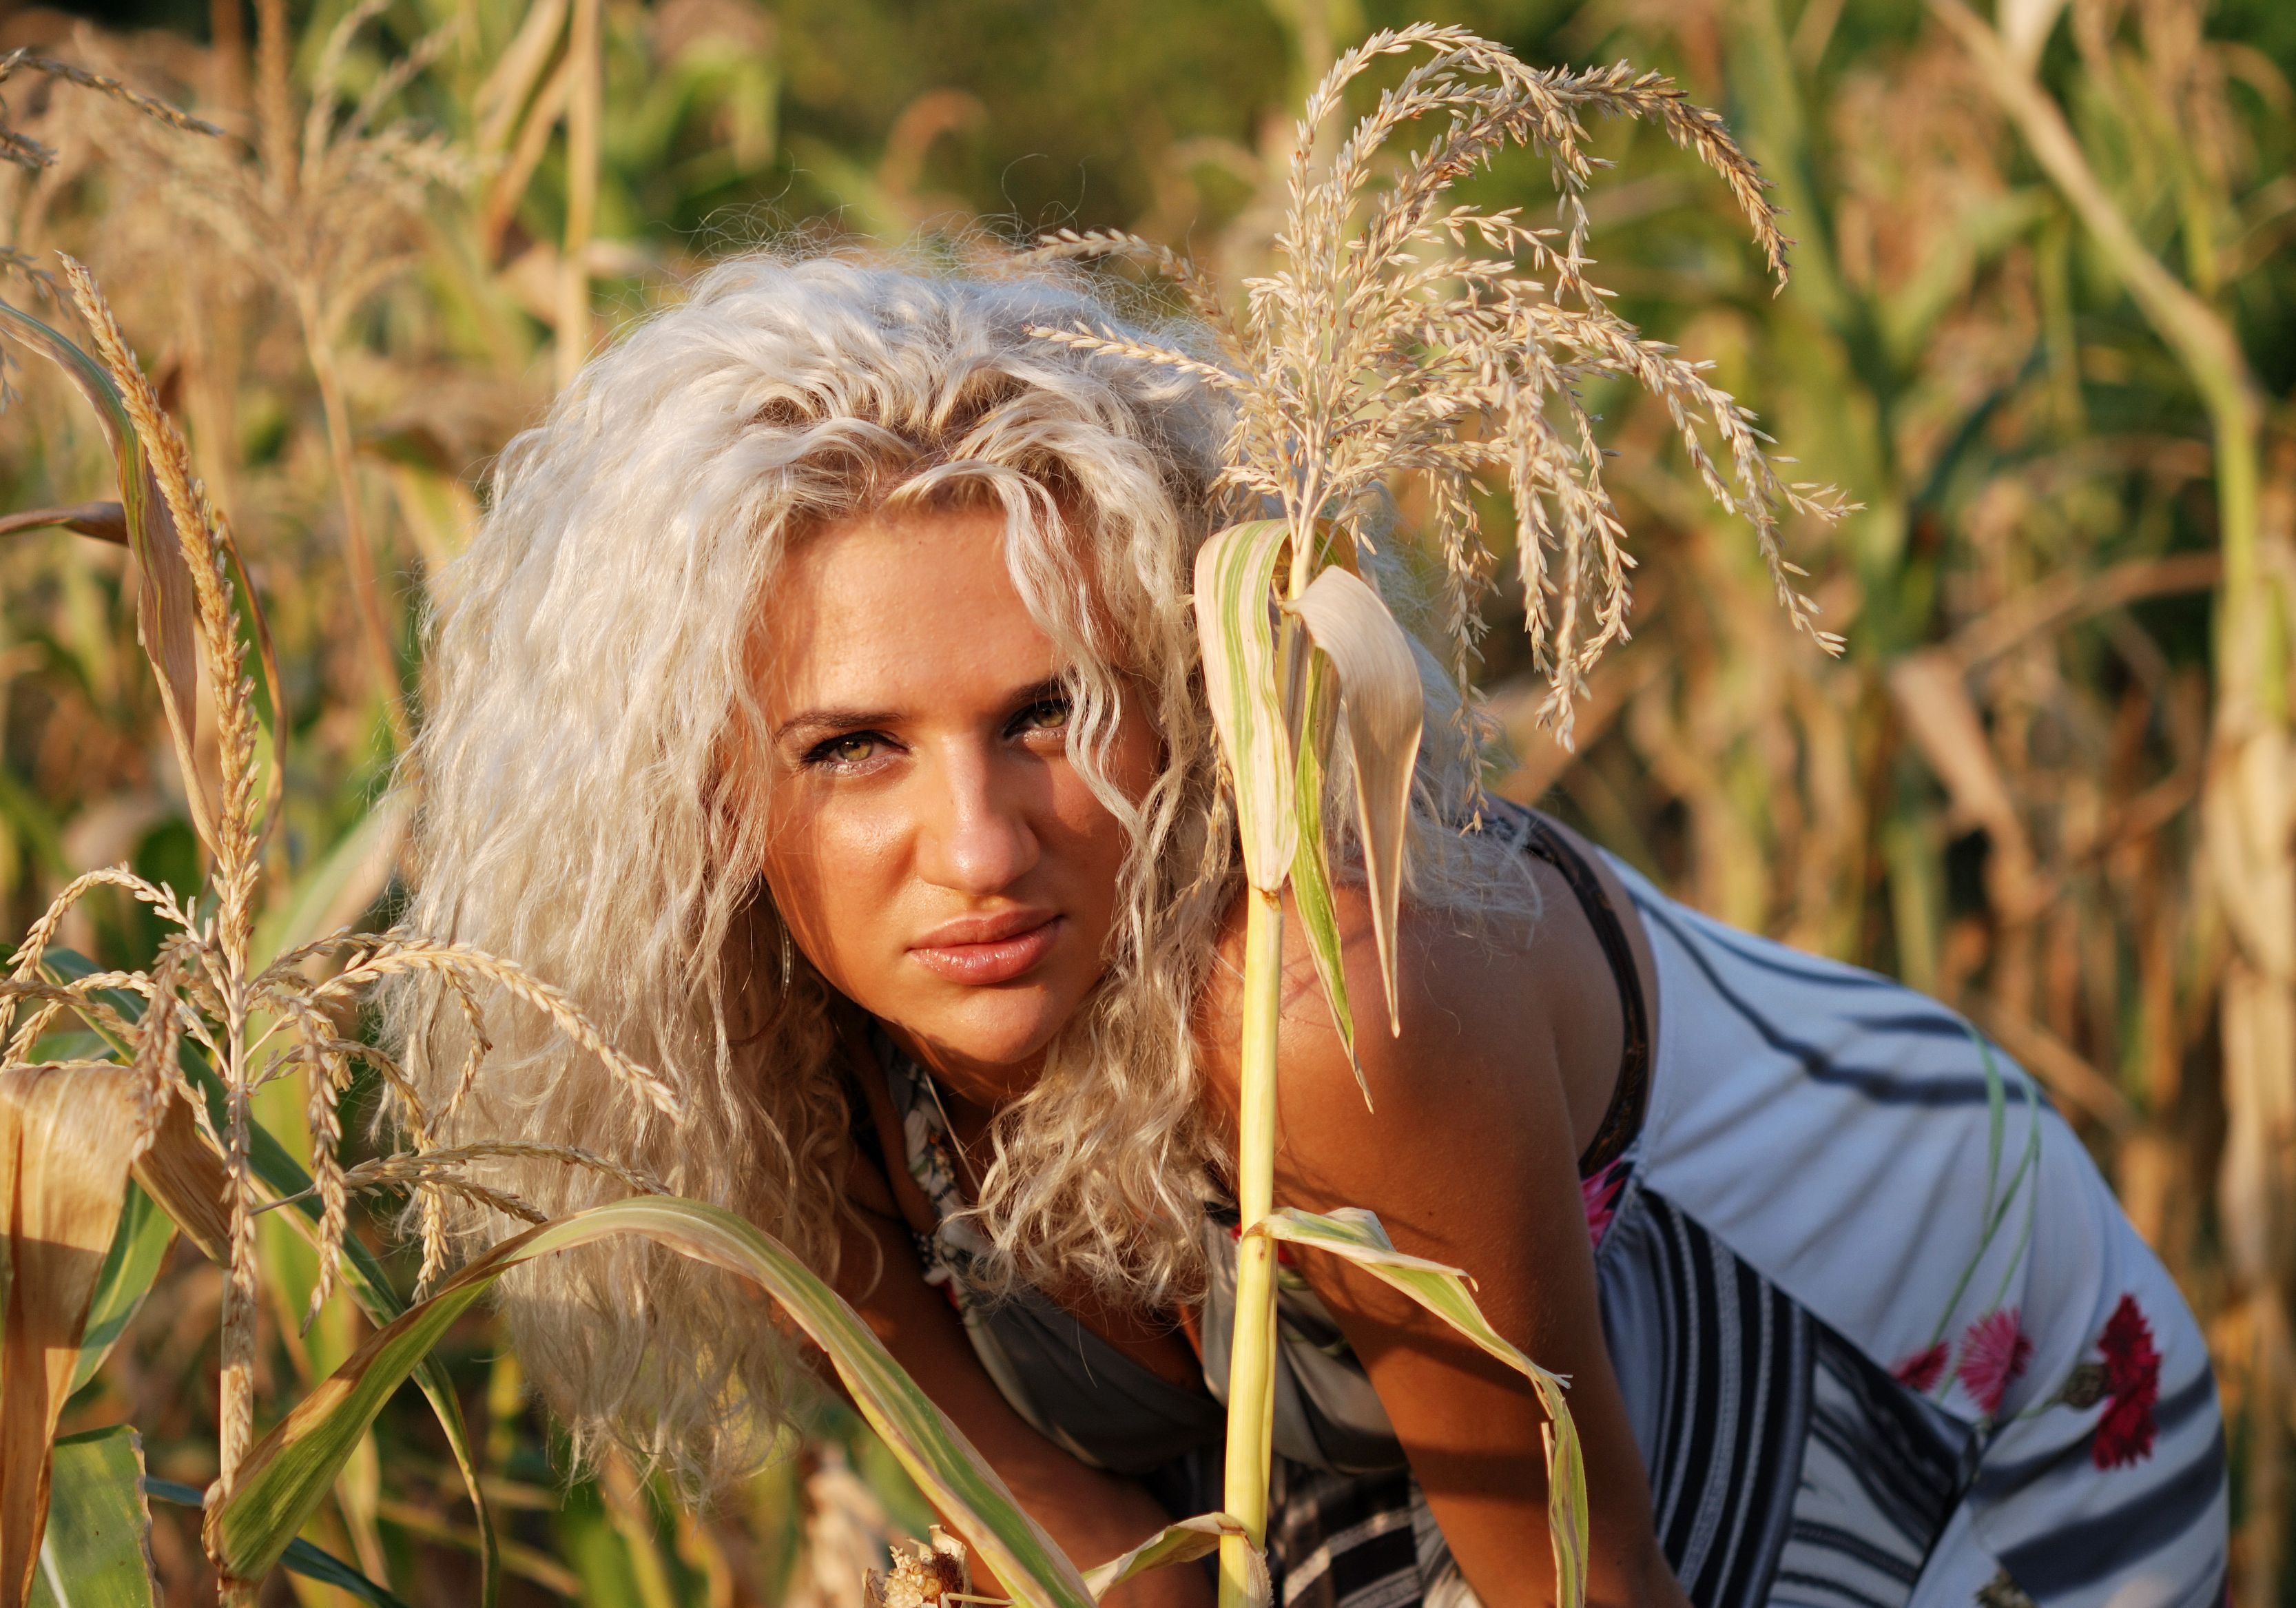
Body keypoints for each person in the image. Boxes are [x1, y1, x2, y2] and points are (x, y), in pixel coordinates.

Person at [388, 253, 2228, 1608]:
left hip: (1971, 1429)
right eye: (854, 749)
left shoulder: (1318, 1013)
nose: (979, 849)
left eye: (1057, 713)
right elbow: (1096, 1546)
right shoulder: (766, 1061)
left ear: (1190, 704)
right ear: (715, 800)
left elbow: (1591, 1591)